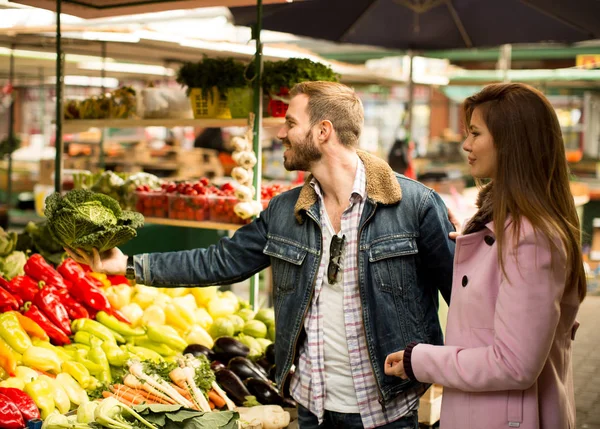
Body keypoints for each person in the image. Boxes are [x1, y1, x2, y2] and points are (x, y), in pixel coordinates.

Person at [68, 81, 456, 429]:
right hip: (312, 408)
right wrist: (128, 265)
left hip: (387, 410)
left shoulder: (414, 206)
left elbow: (463, 296)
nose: (281, 132)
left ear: (323, 132)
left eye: (290, 122)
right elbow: (220, 261)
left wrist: (443, 370)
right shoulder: (285, 212)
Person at [384, 82, 586, 429]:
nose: (466, 144)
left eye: (475, 133)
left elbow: (514, 365)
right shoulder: (507, 228)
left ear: (511, 142)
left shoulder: (531, 238)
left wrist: (419, 360)